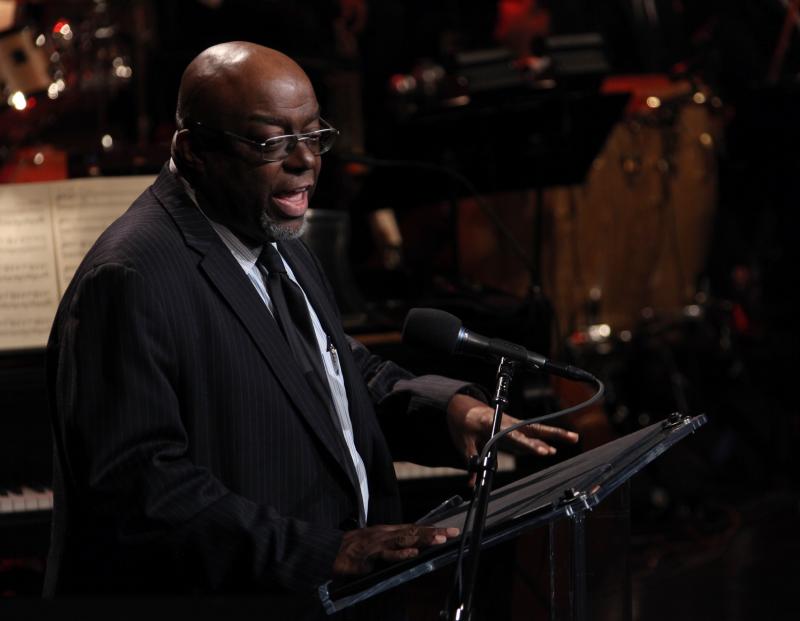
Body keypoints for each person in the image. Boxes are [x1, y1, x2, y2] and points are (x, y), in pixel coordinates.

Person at [44, 42, 578, 617]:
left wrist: (444, 408)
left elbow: (328, 368)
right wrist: (331, 551)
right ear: (194, 150)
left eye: (313, 134)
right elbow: (142, 492)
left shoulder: (271, 230)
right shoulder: (131, 277)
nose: (305, 161)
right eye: (272, 141)